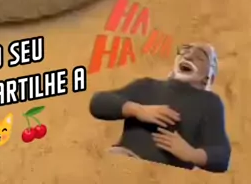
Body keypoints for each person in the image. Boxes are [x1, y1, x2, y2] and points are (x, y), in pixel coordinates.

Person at [89, 42, 231, 172]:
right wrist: (137, 110)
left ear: (208, 77)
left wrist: (192, 154)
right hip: (122, 164)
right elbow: (98, 102)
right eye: (185, 52)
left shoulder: (209, 103)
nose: (188, 57)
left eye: (199, 57)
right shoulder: (146, 86)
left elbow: (222, 155)